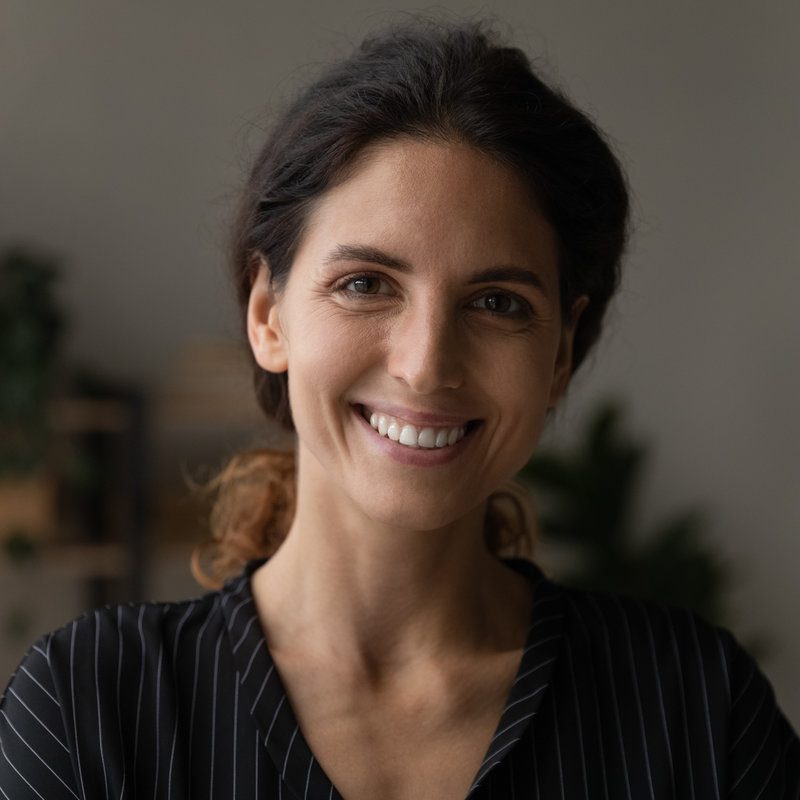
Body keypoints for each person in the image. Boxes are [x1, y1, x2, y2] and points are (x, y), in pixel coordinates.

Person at [1, 17, 798, 800]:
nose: (424, 366)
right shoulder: (89, 709)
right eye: (365, 285)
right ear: (267, 315)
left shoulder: (697, 710)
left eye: (497, 301)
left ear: (560, 354)